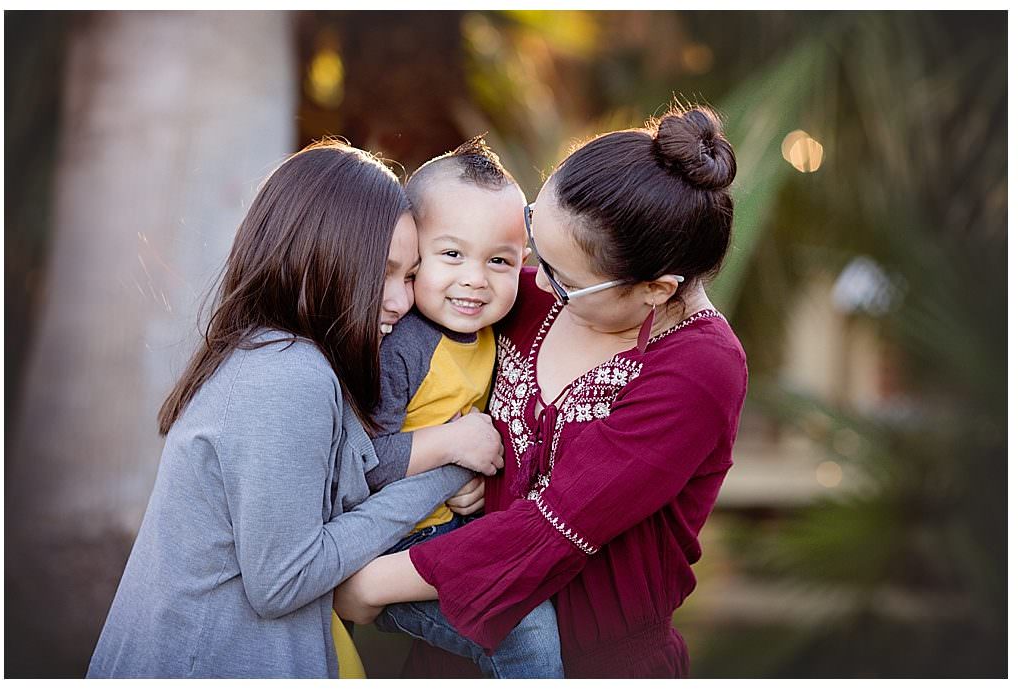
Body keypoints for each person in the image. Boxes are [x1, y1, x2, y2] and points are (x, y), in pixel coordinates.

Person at [333, 106, 749, 678]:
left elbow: (552, 526)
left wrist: (363, 582)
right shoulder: (517, 294)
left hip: (588, 664)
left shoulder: (700, 369)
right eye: (531, 242)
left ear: (656, 289)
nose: (531, 277)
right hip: (451, 639)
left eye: (563, 278)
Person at [86, 140, 484, 679]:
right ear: (321, 256)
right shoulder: (289, 374)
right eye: (383, 273)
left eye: (410, 275)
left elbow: (323, 507)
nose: (402, 300)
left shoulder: (273, 354)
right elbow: (284, 579)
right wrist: (449, 469)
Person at [356, 137, 563, 678]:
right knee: (524, 632)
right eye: (451, 254)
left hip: (443, 536)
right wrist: (454, 448)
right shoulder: (403, 345)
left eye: (499, 260)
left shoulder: (487, 333)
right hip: (389, 548)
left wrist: (458, 478)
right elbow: (360, 460)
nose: (475, 278)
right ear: (410, 253)